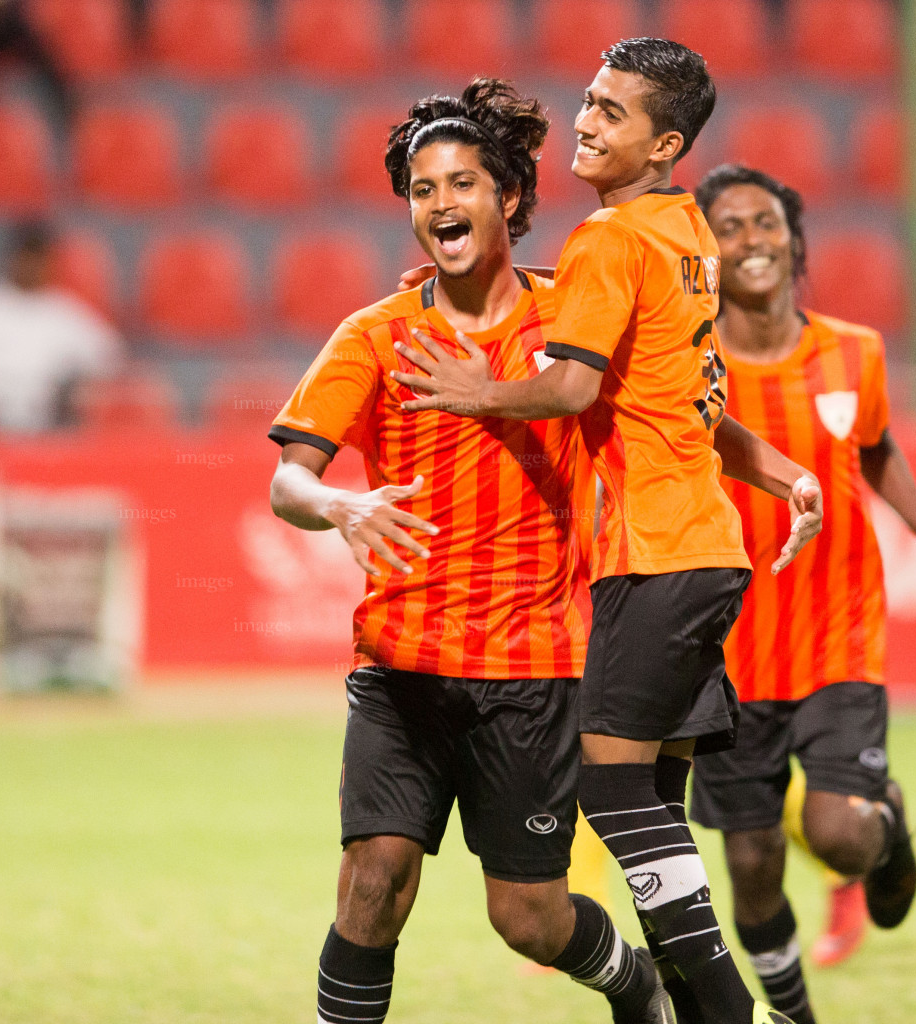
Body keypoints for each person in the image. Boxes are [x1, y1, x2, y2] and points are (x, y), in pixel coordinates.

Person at [389, 39, 821, 1024]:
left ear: (664, 143)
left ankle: (732, 1010)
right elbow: (689, 404)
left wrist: (479, 392)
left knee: (612, 790)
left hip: (658, 555)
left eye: (612, 113)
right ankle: (700, 1006)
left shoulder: (610, 243)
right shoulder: (684, 236)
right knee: (654, 806)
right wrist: (788, 471)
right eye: (587, 100)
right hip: (703, 547)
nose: (586, 121)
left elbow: (574, 385)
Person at [268, 78, 672, 1024]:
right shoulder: (374, 335)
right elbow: (289, 480)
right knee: (375, 883)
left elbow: (675, 415)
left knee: (527, 917)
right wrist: (335, 503)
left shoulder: (572, 321)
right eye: (421, 188)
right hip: (402, 662)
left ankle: (635, 982)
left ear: (510, 198)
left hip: (531, 671)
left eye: (461, 182)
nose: (440, 203)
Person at [687, 163, 916, 1023]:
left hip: (836, 629)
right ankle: (796, 1014)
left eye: (766, 222)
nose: (751, 240)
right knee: (750, 866)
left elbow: (874, 447)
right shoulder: (688, 365)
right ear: (705, 253)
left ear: (795, 238)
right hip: (725, 646)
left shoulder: (853, 350)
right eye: (730, 226)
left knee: (837, 832)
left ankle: (885, 820)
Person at [0, 223, 121, 433]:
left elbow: (109, 357)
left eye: (40, 258)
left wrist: (71, 387)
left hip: (47, 427)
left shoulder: (64, 311)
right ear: (11, 258)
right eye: (26, 257)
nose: (33, 266)